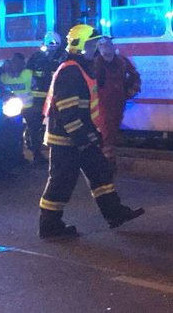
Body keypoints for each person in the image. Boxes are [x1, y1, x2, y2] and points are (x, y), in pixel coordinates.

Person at [38, 24, 144, 238]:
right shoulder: (70, 70)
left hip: (81, 135)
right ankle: (49, 226)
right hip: (66, 139)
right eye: (92, 44)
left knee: (100, 173)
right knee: (61, 182)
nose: (95, 48)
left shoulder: (81, 67)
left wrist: (91, 135)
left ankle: (114, 213)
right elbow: (68, 112)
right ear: (80, 46)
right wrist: (83, 138)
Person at [93, 36, 141, 170]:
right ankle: (107, 162)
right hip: (101, 103)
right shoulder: (95, 63)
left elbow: (134, 76)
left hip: (118, 101)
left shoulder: (121, 61)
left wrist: (132, 90)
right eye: (103, 48)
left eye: (108, 47)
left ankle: (106, 160)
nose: (106, 51)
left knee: (111, 131)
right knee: (106, 131)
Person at [26, 32, 67, 164]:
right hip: (38, 98)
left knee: (57, 125)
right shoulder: (36, 57)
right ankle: (36, 154)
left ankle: (57, 154)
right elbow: (28, 74)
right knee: (35, 126)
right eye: (50, 45)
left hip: (55, 97)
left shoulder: (63, 57)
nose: (52, 49)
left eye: (55, 46)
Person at [0, 52, 35, 137]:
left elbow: (36, 86)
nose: (15, 65)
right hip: (11, 110)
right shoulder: (3, 76)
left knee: (33, 130)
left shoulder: (28, 74)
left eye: (18, 63)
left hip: (28, 108)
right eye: (14, 62)